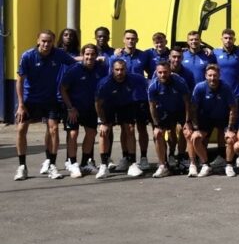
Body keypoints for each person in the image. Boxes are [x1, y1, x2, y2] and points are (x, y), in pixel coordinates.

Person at [14, 30, 77, 180]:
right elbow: (20, 81)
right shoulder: (28, 56)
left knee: (53, 129)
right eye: (43, 41)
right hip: (30, 100)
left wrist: (98, 58)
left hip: (50, 99)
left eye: (49, 41)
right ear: (38, 41)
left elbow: (74, 61)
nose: (46, 44)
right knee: (21, 129)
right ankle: (22, 167)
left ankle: (52, 165)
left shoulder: (58, 54)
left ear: (53, 42)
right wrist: (21, 104)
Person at [94, 59, 148, 179]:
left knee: (130, 129)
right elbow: (97, 104)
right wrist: (103, 121)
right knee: (104, 132)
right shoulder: (105, 83)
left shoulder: (135, 78)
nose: (119, 72)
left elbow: (149, 84)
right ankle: (103, 165)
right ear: (112, 70)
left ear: (126, 70)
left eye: (122, 69)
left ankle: (132, 163)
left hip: (126, 104)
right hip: (108, 106)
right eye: (117, 70)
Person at [59, 43, 106, 178]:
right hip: (73, 108)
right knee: (73, 134)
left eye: (92, 54)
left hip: (91, 108)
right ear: (83, 55)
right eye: (87, 54)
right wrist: (70, 108)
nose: (89, 57)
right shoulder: (74, 70)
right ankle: (73, 163)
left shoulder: (101, 69)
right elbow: (62, 89)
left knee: (91, 133)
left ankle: (85, 163)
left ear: (96, 56)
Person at [112, 29, 154, 171]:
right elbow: (111, 73)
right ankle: (126, 157)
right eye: (128, 38)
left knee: (142, 128)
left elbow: (152, 72)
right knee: (126, 129)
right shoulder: (117, 56)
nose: (131, 41)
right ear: (124, 40)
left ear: (137, 40)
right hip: (123, 98)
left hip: (139, 97)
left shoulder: (143, 55)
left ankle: (143, 157)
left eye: (133, 38)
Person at [187, 63, 238, 177]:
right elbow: (193, 109)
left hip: (223, 118)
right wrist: (196, 128)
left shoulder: (225, 87)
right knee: (195, 138)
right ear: (205, 75)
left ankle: (229, 165)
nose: (212, 78)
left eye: (215, 75)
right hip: (206, 119)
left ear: (219, 75)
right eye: (210, 75)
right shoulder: (199, 87)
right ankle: (206, 165)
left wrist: (230, 128)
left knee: (230, 138)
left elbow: (233, 108)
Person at [147, 61, 192, 178]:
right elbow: (152, 106)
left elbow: (187, 102)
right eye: (160, 72)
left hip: (180, 109)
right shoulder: (153, 86)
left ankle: (182, 158)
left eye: (165, 72)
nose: (163, 75)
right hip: (164, 111)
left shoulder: (180, 82)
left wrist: (187, 121)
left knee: (185, 131)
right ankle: (163, 165)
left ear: (170, 71)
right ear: (156, 72)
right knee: (157, 134)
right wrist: (156, 125)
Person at [213, 28, 239, 102]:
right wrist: (205, 48)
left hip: (236, 94)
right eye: (225, 38)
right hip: (219, 93)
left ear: (234, 40)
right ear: (221, 39)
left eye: (230, 38)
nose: (228, 40)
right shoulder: (215, 52)